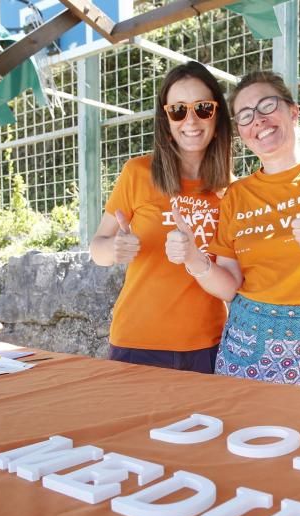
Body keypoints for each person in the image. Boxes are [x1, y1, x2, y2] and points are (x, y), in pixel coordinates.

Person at [166, 71, 300, 392]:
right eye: (245, 115)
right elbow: (230, 287)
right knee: (243, 438)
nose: (258, 120)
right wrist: (193, 259)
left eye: (267, 106)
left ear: (293, 111)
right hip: (248, 344)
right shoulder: (236, 196)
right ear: (240, 131)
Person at [91, 61, 232, 373]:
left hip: (208, 344)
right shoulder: (138, 173)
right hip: (138, 343)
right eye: (178, 110)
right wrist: (114, 249)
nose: (191, 120)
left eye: (203, 108)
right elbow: (97, 247)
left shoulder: (231, 191)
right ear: (166, 118)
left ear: (217, 114)